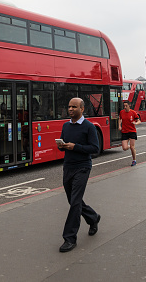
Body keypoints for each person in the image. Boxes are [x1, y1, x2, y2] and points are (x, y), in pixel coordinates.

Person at [57, 97, 101, 253]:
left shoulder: (89, 127)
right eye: (69, 106)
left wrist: (76, 147)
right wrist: (62, 146)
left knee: (75, 202)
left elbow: (95, 148)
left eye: (74, 107)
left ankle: (69, 238)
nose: (70, 109)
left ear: (82, 109)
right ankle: (93, 217)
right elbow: (64, 147)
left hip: (82, 167)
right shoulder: (66, 126)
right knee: (72, 200)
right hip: (68, 166)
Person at [119, 100, 140, 166]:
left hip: (132, 131)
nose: (125, 107)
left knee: (132, 147)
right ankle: (130, 146)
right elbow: (120, 119)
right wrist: (119, 125)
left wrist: (136, 123)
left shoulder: (133, 113)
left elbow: (139, 121)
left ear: (129, 106)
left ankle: (134, 160)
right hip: (124, 131)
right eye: (124, 106)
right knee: (124, 148)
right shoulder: (121, 112)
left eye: (126, 106)